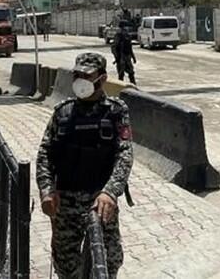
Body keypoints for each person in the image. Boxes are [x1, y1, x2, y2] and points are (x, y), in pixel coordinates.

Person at [36, 52, 133, 278]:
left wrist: (110, 192)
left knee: (108, 261)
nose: (81, 81)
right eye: (77, 75)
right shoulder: (62, 112)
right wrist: (47, 190)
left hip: (101, 202)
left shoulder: (116, 111)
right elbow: (45, 154)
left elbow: (125, 154)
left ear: (101, 79)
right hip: (66, 203)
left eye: (87, 76)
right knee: (65, 263)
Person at [111, 20, 137, 85]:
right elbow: (114, 47)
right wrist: (117, 57)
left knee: (130, 73)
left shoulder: (126, 35)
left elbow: (130, 47)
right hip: (122, 57)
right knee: (122, 74)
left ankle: (133, 86)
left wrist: (133, 57)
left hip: (126, 57)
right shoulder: (119, 35)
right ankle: (122, 87)